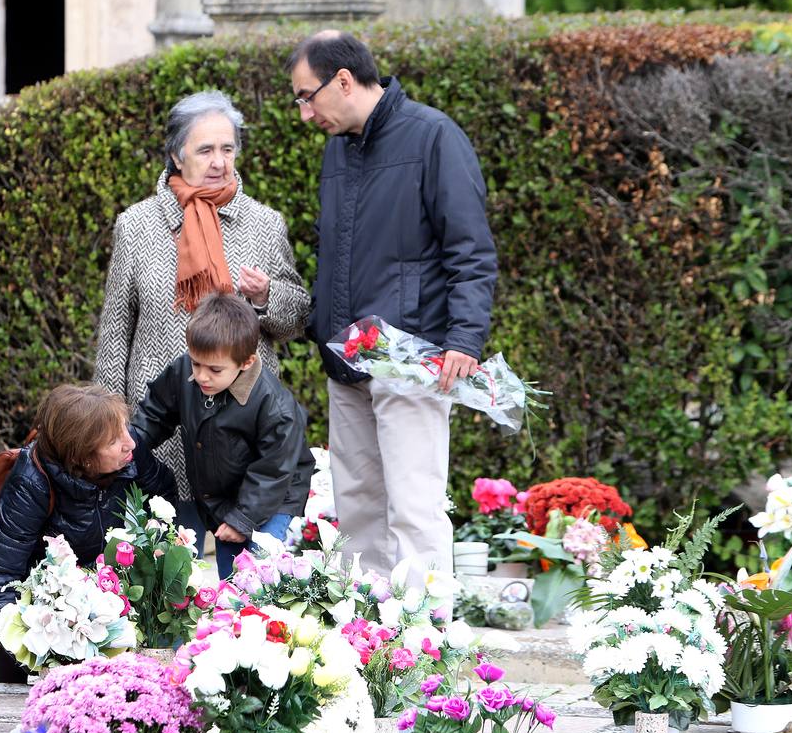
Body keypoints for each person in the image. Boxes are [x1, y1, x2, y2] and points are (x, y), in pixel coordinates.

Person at [287, 30, 498, 586]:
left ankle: (424, 651)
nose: (305, 113)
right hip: (346, 361)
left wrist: (464, 341)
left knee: (414, 509)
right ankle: (372, 644)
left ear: (343, 81)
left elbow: (471, 251)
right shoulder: (339, 150)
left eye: (306, 96)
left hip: (412, 359)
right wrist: (321, 327)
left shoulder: (433, 137)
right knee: (356, 511)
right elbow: (336, 254)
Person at [94, 90, 310, 552]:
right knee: (167, 577)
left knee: (245, 587)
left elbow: (296, 317)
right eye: (205, 149)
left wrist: (267, 295)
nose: (219, 161)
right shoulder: (137, 225)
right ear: (176, 154)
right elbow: (115, 332)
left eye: (227, 149)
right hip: (162, 428)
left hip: (243, 437)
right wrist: (110, 424)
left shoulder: (264, 224)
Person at [0, 385, 175, 655]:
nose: (131, 443)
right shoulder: (30, 483)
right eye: (114, 441)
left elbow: (164, 493)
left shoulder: (130, 450)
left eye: (126, 429)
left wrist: (155, 540)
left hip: (105, 588)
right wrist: (36, 649)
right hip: (50, 602)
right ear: (82, 457)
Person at [130, 293, 313, 579]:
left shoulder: (272, 406)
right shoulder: (186, 373)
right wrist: (132, 443)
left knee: (256, 575)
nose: (201, 376)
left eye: (214, 369)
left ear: (246, 362)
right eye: (196, 363)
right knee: (230, 577)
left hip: (274, 494)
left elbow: (273, 469)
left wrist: (243, 519)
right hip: (226, 495)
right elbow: (156, 412)